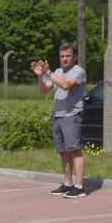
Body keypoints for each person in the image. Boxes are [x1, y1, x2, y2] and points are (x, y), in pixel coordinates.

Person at [31, 44, 87, 198]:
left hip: (71, 115)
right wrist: (39, 75)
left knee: (75, 151)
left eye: (68, 56)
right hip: (58, 116)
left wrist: (47, 72)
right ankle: (68, 183)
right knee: (63, 152)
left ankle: (80, 186)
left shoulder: (78, 71)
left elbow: (66, 85)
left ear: (74, 57)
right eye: (62, 56)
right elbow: (43, 90)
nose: (65, 59)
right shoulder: (56, 72)